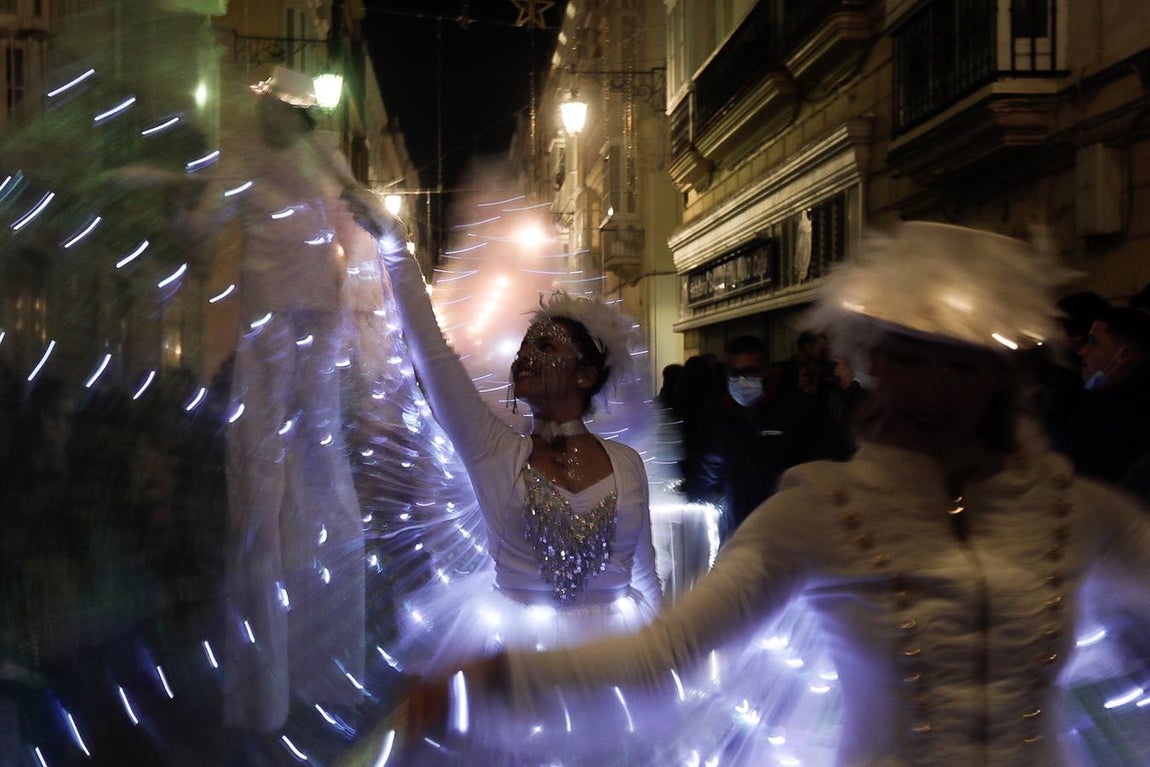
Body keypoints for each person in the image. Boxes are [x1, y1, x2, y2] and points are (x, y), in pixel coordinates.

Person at [385, 221, 1150, 766]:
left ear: (1001, 374)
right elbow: (670, 651)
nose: (932, 388)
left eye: (959, 362)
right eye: (908, 357)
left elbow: (649, 591)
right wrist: (495, 677)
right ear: (872, 364)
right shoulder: (821, 511)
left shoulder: (1078, 514)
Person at [349, 199, 662, 719]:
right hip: (515, 669)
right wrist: (394, 248)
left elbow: (647, 578)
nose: (524, 358)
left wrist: (663, 659)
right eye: (523, 348)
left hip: (610, 671)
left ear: (585, 375)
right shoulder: (495, 451)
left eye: (545, 347)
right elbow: (433, 353)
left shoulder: (627, 464)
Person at [1054, 306, 1150, 486]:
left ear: (1123, 355)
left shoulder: (1118, 417)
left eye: (1093, 342)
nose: (1083, 352)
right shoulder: (1100, 396)